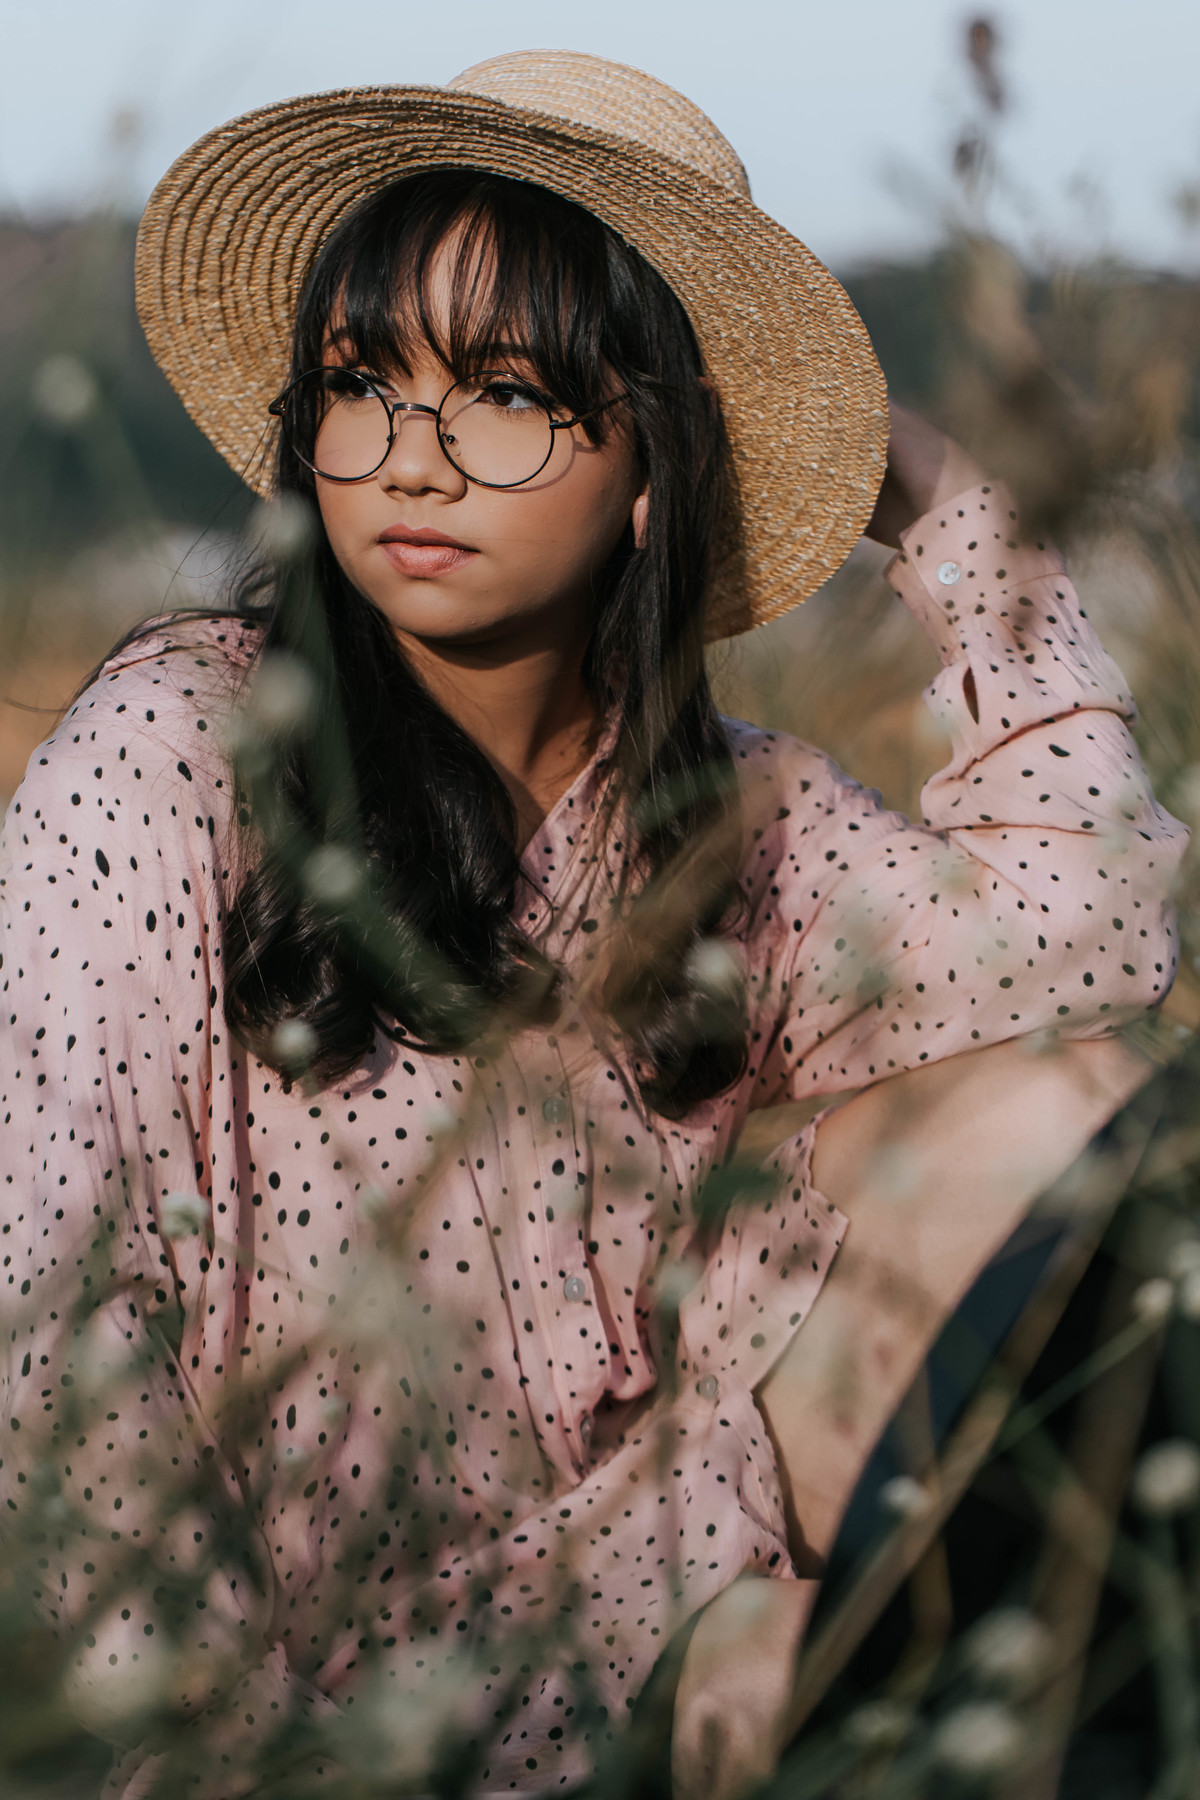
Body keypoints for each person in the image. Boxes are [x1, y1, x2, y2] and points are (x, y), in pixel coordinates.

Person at [0, 49, 1185, 1800]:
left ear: (652, 464)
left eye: (503, 393)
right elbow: (50, 1311)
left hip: (643, 1605)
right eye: (362, 384)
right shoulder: (184, 745)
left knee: (1058, 1109)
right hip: (281, 1687)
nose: (412, 461)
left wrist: (946, 508)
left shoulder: (732, 825)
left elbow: (1092, 935)